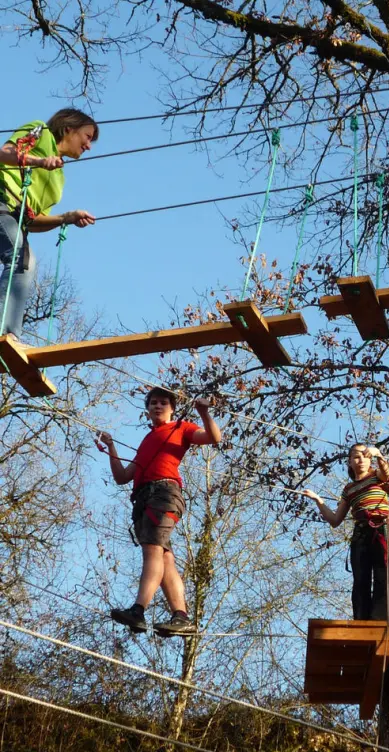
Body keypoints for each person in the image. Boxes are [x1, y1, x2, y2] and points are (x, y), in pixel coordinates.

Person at [96, 387, 222, 637]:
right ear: (148, 408)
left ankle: (138, 610)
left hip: (163, 494)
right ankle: (181, 616)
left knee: (152, 550)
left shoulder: (181, 428)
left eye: (163, 402)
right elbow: (122, 477)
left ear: (172, 408)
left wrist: (204, 412)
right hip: (143, 499)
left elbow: (213, 438)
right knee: (164, 557)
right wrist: (111, 447)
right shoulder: (147, 440)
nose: (157, 406)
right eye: (153, 402)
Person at [0, 109, 98, 342]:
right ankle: (6, 333)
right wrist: (39, 161)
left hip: (16, 220)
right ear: (68, 129)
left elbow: (33, 221)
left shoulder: (58, 180)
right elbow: (5, 152)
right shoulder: (40, 131)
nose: (89, 146)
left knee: (26, 262)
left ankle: (10, 334)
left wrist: (66, 218)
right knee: (20, 257)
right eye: (87, 136)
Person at [303, 444, 389, 620]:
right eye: (356, 457)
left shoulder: (376, 476)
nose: (361, 459)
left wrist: (378, 454)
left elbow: (386, 473)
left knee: (382, 576)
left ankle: (379, 620)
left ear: (370, 460)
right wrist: (318, 500)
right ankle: (361, 620)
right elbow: (335, 520)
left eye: (364, 456)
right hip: (361, 533)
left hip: (382, 528)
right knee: (360, 580)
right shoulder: (348, 489)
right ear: (349, 462)